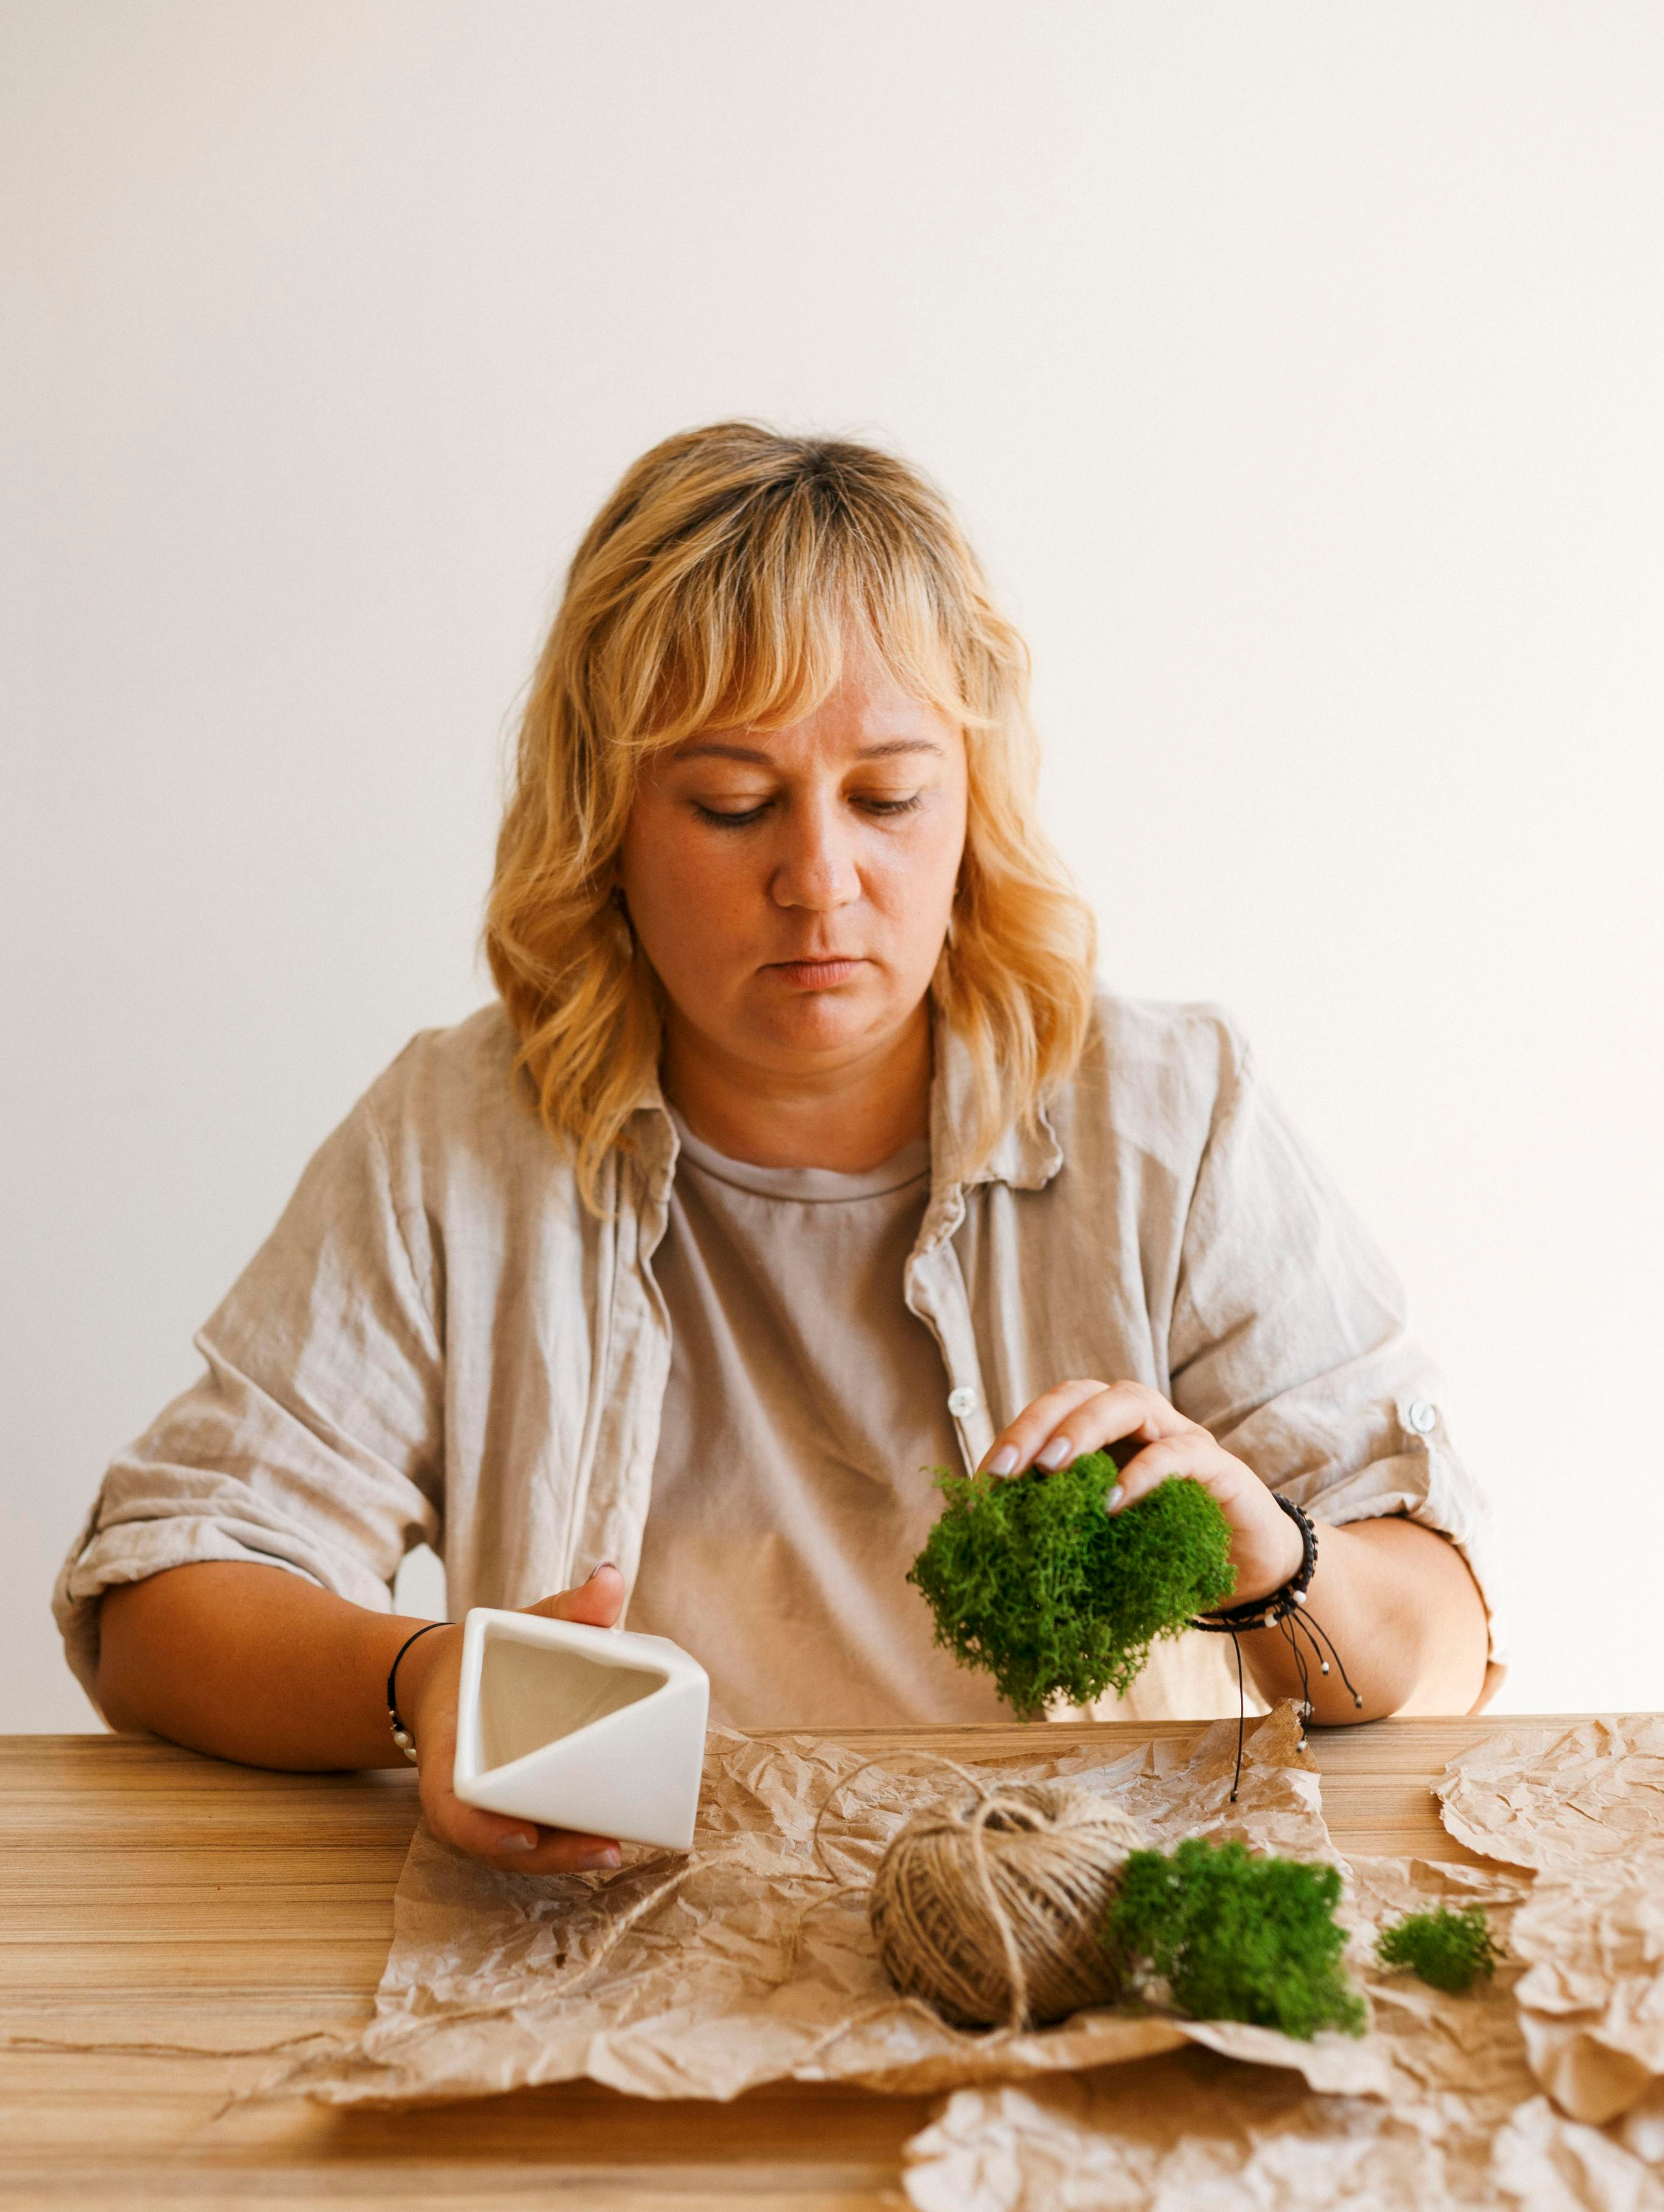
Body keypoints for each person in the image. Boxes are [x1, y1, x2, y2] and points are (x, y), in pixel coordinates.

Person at [59, 423, 1495, 1879]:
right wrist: (428, 1683)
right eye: (732, 804)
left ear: (972, 803)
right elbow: (156, 1599)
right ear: (604, 820)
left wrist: (1275, 1566)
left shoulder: (1172, 1114)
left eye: (885, 796)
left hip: (1082, 1933)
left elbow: (1437, 1635)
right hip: (618, 1942)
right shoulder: (454, 1140)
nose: (818, 880)